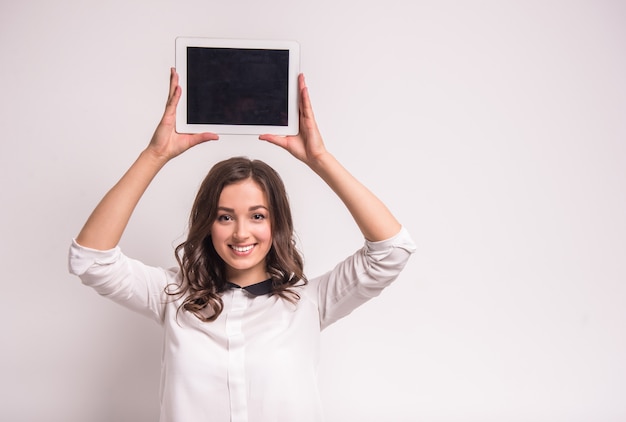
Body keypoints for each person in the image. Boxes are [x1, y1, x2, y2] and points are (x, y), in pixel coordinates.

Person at [68, 68, 416, 422]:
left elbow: (391, 251)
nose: (241, 233)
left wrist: (320, 159)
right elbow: (91, 261)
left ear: (276, 223)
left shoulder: (310, 302)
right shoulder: (172, 296)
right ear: (207, 224)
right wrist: (155, 155)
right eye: (225, 217)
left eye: (258, 216)